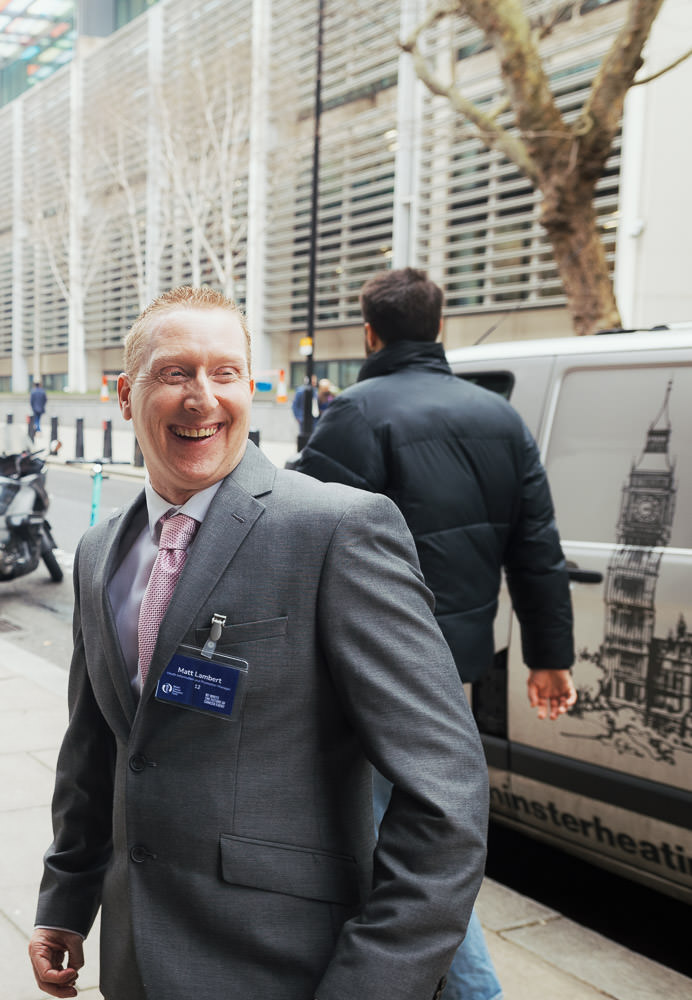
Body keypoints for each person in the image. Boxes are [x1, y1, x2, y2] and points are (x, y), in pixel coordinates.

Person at [28, 286, 487, 1000]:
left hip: (287, 968)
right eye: (175, 373)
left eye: (225, 373)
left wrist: (373, 983)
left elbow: (446, 795)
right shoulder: (98, 552)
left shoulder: (337, 531)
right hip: (135, 960)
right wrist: (66, 899)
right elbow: (98, 747)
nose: (201, 398)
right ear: (124, 395)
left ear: (252, 389)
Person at [293, 267, 577, 1000]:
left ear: (369, 332)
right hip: (455, 669)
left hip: (377, 668)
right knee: (430, 832)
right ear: (440, 326)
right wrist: (549, 659)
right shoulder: (500, 419)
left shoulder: (356, 413)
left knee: (408, 849)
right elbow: (538, 547)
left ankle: (470, 991)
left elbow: (297, 537)